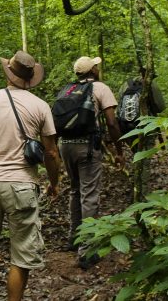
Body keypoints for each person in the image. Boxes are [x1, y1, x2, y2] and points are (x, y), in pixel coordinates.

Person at [0, 50, 61, 301]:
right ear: (30, 79)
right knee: (22, 256)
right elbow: (50, 152)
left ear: (9, 72)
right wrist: (53, 182)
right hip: (22, 185)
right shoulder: (40, 106)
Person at [58, 56, 124, 269]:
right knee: (90, 194)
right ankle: (87, 250)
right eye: (96, 66)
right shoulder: (100, 88)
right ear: (93, 71)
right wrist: (119, 150)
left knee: (75, 191)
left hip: (65, 145)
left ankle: (73, 238)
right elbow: (112, 122)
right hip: (86, 146)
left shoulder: (66, 90)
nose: (98, 68)